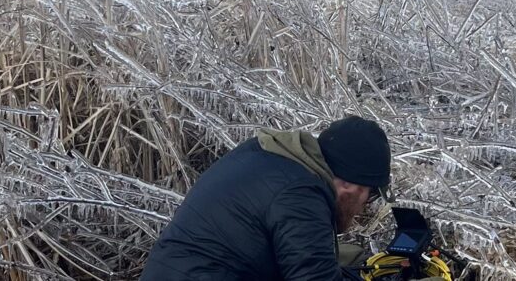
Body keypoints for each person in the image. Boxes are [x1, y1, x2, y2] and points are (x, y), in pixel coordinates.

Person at [141, 115, 393, 281]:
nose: (361, 209)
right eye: (369, 198)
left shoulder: (268, 155)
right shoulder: (301, 195)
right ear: (352, 187)